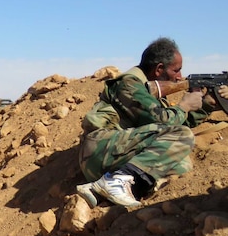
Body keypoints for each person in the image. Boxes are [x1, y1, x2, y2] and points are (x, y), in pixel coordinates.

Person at [75, 37, 218, 208]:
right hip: (99, 149)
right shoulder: (128, 85)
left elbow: (171, 129)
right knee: (183, 136)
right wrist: (184, 106)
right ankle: (114, 182)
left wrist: (208, 104)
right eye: (176, 70)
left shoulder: (147, 91)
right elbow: (165, 123)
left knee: (181, 164)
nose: (180, 77)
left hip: (117, 152)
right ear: (159, 69)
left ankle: (111, 190)